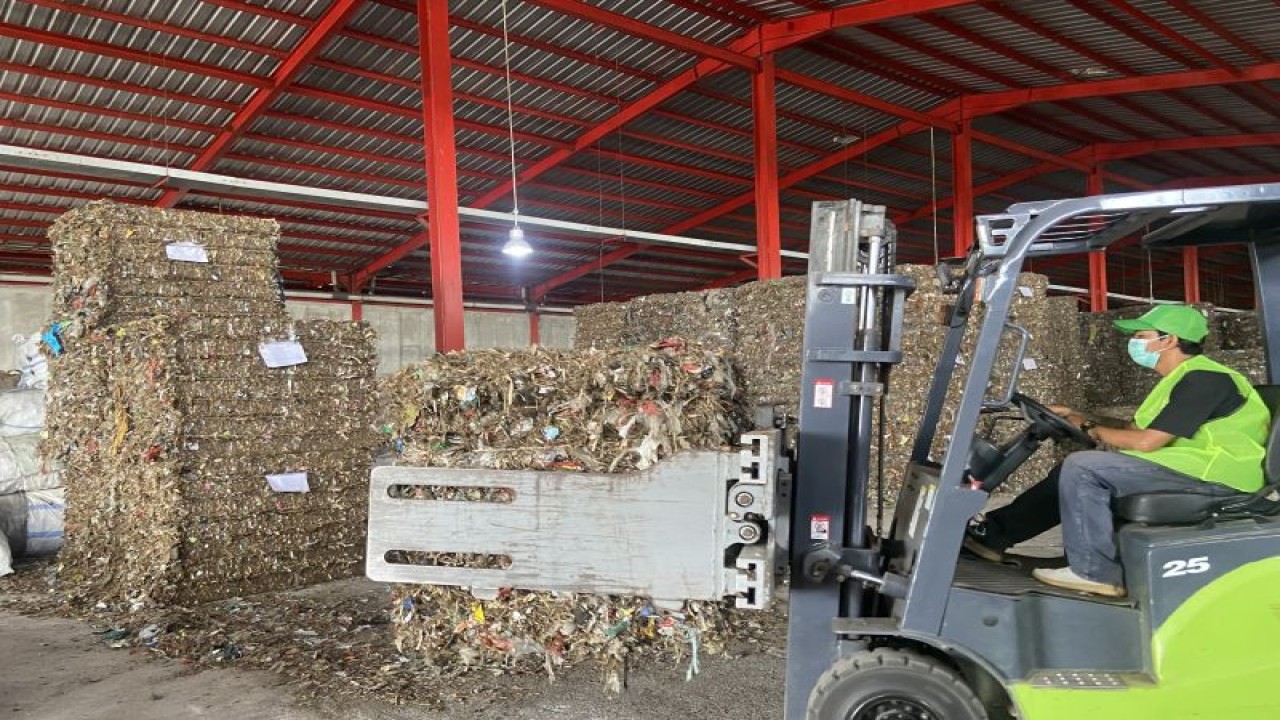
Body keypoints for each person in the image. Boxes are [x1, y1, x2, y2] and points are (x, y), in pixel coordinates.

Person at [963, 304, 1271, 597]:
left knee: (1083, 467)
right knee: (1067, 473)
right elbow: (1133, 431)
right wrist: (1078, 416)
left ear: (1170, 340)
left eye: (1141, 336)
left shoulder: (1206, 379)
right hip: (1190, 467)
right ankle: (993, 537)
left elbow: (1146, 442)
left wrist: (1089, 430)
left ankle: (1094, 572)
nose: (1133, 342)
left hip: (1216, 474)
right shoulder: (1180, 379)